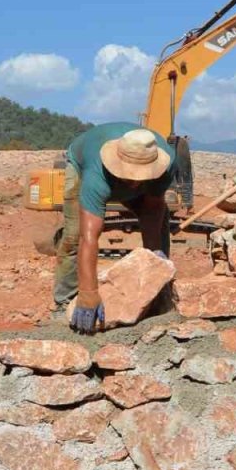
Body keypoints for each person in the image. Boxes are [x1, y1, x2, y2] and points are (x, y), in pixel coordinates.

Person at [56, 123, 175, 334]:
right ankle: (64, 301)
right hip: (81, 164)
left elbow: (152, 208)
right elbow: (89, 237)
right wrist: (88, 292)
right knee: (73, 236)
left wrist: (154, 259)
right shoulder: (96, 174)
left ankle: (161, 294)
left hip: (143, 181)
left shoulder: (167, 164)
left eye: (140, 176)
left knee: (161, 226)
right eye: (129, 175)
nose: (134, 183)